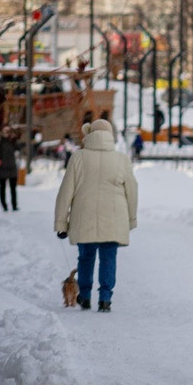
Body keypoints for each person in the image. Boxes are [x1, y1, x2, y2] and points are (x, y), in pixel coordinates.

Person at [54, 118, 138, 312]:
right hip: (114, 218)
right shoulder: (121, 159)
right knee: (109, 257)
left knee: (86, 257)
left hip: (84, 217)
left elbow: (66, 190)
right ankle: (105, 299)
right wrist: (131, 219)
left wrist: (61, 223)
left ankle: (84, 295)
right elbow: (132, 190)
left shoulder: (78, 157)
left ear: (89, 135)